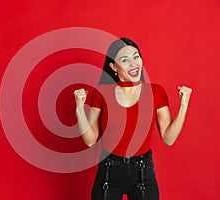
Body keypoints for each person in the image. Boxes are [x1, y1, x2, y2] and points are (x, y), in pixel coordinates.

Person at [74, 38, 192, 200]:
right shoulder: (102, 93)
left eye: (136, 57)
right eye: (125, 60)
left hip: (143, 171)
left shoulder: (155, 92)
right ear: (114, 67)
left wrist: (184, 105)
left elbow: (168, 138)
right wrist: (79, 109)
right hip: (109, 171)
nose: (133, 63)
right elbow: (90, 140)